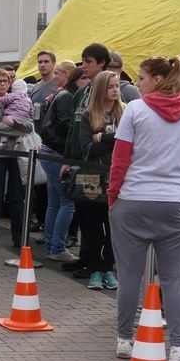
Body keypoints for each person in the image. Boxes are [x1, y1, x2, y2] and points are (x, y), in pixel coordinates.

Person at [108, 55, 180, 361]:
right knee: (172, 278)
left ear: (157, 79)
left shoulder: (135, 110)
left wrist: (113, 195)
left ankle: (125, 340)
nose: (137, 82)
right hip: (174, 201)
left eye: (141, 77)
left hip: (133, 199)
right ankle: (177, 347)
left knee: (128, 275)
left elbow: (120, 159)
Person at [62, 43, 112, 278]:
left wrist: (101, 139)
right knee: (83, 214)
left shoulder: (115, 93)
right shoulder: (81, 93)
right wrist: (67, 159)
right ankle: (85, 258)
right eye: (83, 61)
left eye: (89, 61)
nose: (84, 66)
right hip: (80, 163)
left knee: (100, 218)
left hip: (102, 166)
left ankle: (100, 263)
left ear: (102, 63)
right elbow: (73, 131)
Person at [77, 70, 123, 290]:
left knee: (114, 227)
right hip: (93, 177)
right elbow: (86, 148)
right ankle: (95, 268)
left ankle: (108, 268)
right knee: (93, 226)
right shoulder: (89, 115)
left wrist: (102, 137)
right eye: (111, 86)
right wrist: (113, 140)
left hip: (119, 176)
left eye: (117, 86)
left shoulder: (125, 112)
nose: (115, 90)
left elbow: (130, 142)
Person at [0, 69, 32, 248]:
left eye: (6, 80)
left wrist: (15, 124)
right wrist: (16, 130)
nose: (3, 83)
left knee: (17, 195)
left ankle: (18, 236)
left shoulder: (18, 98)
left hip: (17, 153)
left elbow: (29, 125)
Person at [39, 62, 79, 261]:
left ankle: (51, 246)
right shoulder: (66, 96)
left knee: (54, 203)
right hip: (57, 154)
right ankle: (57, 248)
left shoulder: (60, 95)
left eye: (57, 73)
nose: (55, 76)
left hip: (50, 153)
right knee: (66, 203)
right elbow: (65, 126)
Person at [0, 79, 33, 149]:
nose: (2, 84)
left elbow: (4, 100)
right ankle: (18, 141)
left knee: (5, 123)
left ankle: (3, 141)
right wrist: (30, 116)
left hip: (12, 116)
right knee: (21, 130)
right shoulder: (28, 99)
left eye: (5, 81)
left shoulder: (12, 95)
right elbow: (31, 112)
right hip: (24, 118)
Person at [30, 50, 58, 129]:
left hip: (52, 133)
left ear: (54, 64)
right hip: (35, 132)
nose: (42, 65)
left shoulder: (59, 85)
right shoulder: (35, 87)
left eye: (46, 62)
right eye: (40, 62)